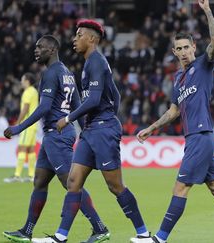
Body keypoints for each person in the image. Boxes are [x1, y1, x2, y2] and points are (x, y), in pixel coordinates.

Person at [136, 1, 214, 243]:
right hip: (197, 139)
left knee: (180, 188)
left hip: (200, 137)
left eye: (186, 47)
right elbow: (173, 111)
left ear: (193, 47)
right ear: (174, 52)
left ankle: (159, 238)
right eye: (178, 48)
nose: (183, 52)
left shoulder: (203, 65)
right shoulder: (178, 78)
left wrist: (208, 11)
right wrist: (151, 128)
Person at [32, 20, 150, 243]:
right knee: (74, 182)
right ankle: (60, 236)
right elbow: (115, 95)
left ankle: (143, 233)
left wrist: (68, 118)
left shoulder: (96, 62)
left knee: (115, 186)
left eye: (79, 35)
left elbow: (95, 99)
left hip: (103, 131)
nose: (74, 40)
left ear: (92, 39)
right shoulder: (90, 65)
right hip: (91, 131)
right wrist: (102, 116)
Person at [2, 35, 110, 243]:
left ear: (52, 50)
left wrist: (18, 128)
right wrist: (79, 127)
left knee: (72, 184)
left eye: (40, 47)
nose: (36, 50)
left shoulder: (51, 73)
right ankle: (27, 230)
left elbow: (43, 108)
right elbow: (78, 104)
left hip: (57, 135)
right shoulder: (67, 73)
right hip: (58, 134)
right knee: (40, 181)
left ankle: (100, 227)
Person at [4, 73, 39, 183]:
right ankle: (31, 175)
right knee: (31, 150)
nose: (21, 82)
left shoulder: (27, 92)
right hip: (34, 125)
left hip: (27, 125)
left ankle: (17, 175)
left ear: (27, 81)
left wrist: (18, 124)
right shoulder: (34, 91)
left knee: (22, 148)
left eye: (22, 80)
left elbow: (25, 109)